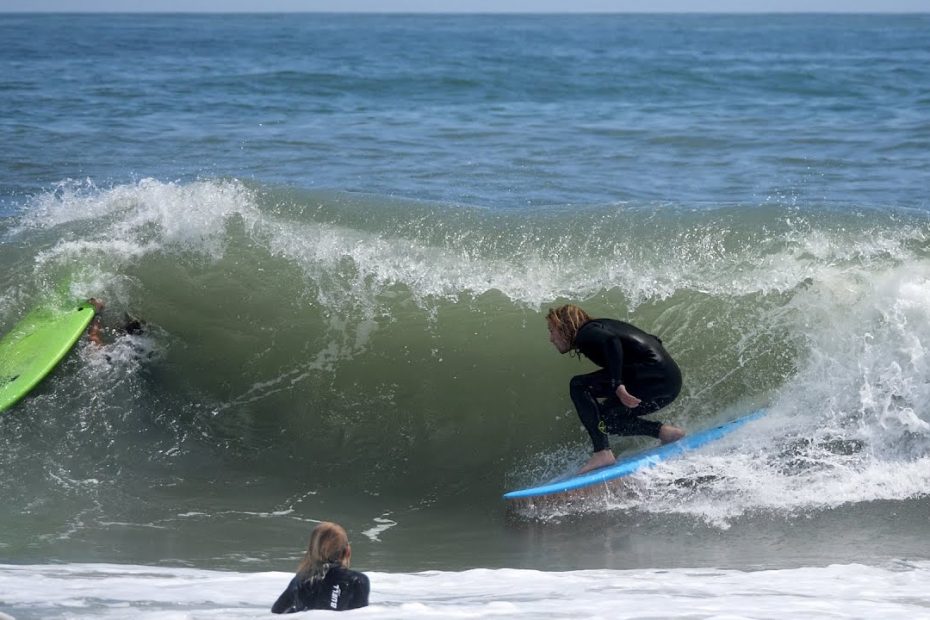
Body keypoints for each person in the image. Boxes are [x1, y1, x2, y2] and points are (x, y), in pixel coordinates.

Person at [547, 304, 686, 474]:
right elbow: (653, 340)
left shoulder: (586, 332)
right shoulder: (601, 327)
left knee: (578, 385)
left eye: (552, 330)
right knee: (605, 420)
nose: (551, 338)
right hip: (668, 382)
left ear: (564, 327)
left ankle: (602, 452)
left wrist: (617, 384)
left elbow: (611, 342)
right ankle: (665, 433)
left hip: (654, 376)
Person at [271, 522, 370, 613]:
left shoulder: (300, 579)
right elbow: (360, 615)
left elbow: (277, 610)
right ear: (347, 551)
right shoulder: (358, 580)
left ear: (312, 550)